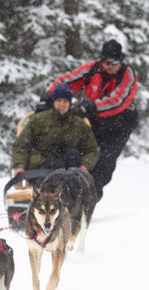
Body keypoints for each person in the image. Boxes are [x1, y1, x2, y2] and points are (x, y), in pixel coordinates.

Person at [47, 39, 138, 201]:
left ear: (120, 61)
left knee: (105, 161)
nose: (109, 66)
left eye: (114, 62)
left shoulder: (127, 75)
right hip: (94, 122)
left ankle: (90, 197)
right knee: (81, 153)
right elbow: (68, 81)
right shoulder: (92, 69)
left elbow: (118, 101)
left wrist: (91, 107)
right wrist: (50, 96)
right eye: (106, 62)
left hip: (119, 124)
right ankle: (65, 191)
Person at [12, 83, 99, 179]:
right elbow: (21, 145)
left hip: (68, 170)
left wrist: (85, 164)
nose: (62, 104)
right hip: (42, 167)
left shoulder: (79, 124)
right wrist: (19, 165)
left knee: (73, 154)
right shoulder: (38, 120)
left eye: (65, 101)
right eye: (59, 100)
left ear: (69, 103)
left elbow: (92, 150)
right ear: (53, 102)